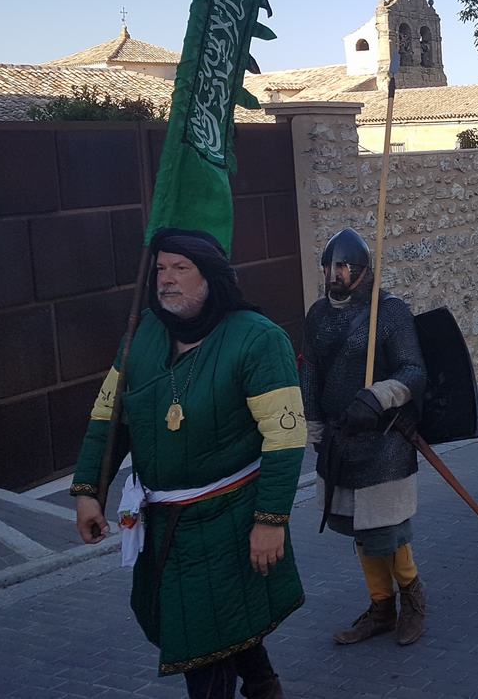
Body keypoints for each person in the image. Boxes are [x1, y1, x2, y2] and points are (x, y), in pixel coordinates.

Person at [71, 228, 304, 697]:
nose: (166, 279)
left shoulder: (258, 339)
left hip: (229, 520)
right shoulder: (142, 334)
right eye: (160, 268)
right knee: (218, 626)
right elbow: (108, 418)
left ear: (211, 277)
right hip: (164, 525)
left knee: (204, 643)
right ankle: (264, 687)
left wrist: (270, 520)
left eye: (181, 268)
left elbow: (286, 437)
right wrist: (88, 491)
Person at [300, 227, 427, 647]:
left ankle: (412, 601)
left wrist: (378, 396)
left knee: (388, 530)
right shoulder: (318, 315)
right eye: (329, 266)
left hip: (383, 441)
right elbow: (310, 372)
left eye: (343, 266)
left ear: (361, 270)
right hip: (340, 441)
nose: (334, 274)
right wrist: (314, 424)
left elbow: (414, 371)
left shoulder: (388, 313)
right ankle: (381, 607)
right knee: (359, 529)